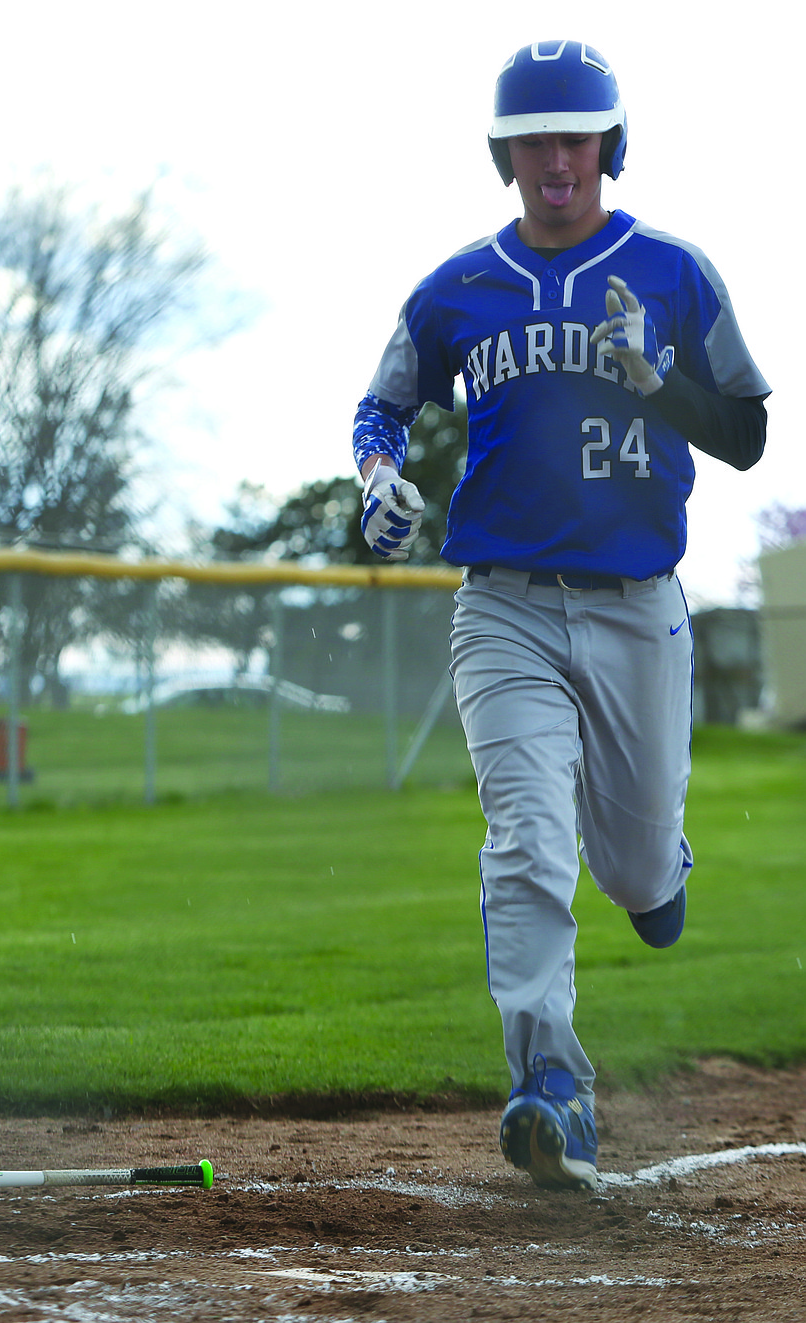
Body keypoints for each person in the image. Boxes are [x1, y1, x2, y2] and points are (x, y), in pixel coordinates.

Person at [353, 40, 770, 1191]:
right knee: (529, 843)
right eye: (534, 137)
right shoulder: (456, 290)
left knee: (633, 876)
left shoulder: (675, 274)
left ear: (609, 147)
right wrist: (378, 480)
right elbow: (382, 407)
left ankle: (658, 861)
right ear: (506, 154)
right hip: (505, 609)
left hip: (641, 610)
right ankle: (554, 1086)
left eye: (575, 134)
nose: (556, 156)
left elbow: (745, 434)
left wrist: (658, 385)